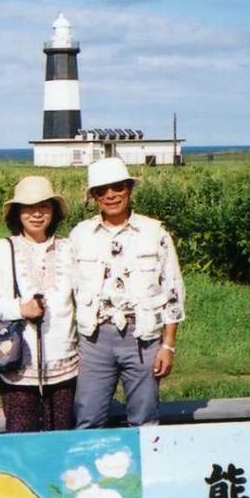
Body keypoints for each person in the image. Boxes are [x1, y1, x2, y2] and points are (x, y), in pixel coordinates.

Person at [70, 157, 185, 428]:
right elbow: (67, 290)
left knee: (145, 419)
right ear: (94, 197)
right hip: (95, 339)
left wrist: (168, 346)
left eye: (118, 187)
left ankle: (144, 458)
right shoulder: (80, 235)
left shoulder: (154, 232)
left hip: (143, 338)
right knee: (88, 418)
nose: (111, 195)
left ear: (129, 189)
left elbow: (173, 292)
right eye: (102, 191)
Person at [0, 175, 78, 433]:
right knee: (21, 438)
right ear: (17, 212)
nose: (37, 214)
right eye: (28, 207)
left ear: (54, 211)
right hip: (18, 365)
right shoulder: (3, 248)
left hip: (65, 364)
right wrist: (19, 309)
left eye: (44, 206)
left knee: (60, 435)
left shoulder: (68, 248)